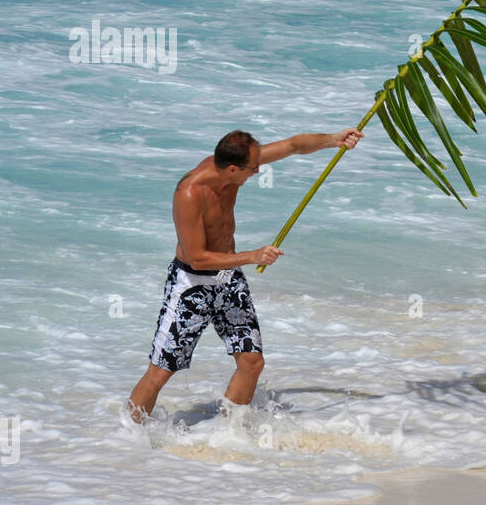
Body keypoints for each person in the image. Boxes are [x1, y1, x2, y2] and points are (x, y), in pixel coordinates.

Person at [125, 126, 363, 422]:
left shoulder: (234, 169)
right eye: (253, 168)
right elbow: (197, 258)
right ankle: (129, 436)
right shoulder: (189, 193)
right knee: (160, 372)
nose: (258, 170)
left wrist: (333, 140)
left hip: (228, 279)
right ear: (233, 168)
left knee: (252, 362)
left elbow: (292, 146)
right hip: (191, 285)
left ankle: (230, 432)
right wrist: (253, 256)